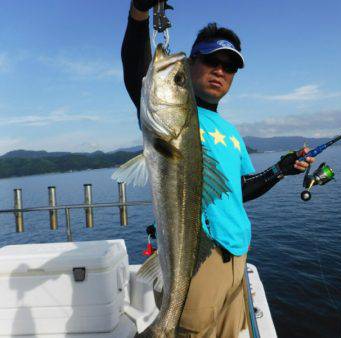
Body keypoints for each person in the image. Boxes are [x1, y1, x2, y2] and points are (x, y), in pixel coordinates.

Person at [122, 1, 315, 337]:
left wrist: (280, 170)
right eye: (211, 60)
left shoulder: (231, 132)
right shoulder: (172, 115)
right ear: (193, 61)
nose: (220, 71)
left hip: (237, 254)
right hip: (195, 260)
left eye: (230, 67)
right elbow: (136, 70)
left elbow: (240, 188)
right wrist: (139, 14)